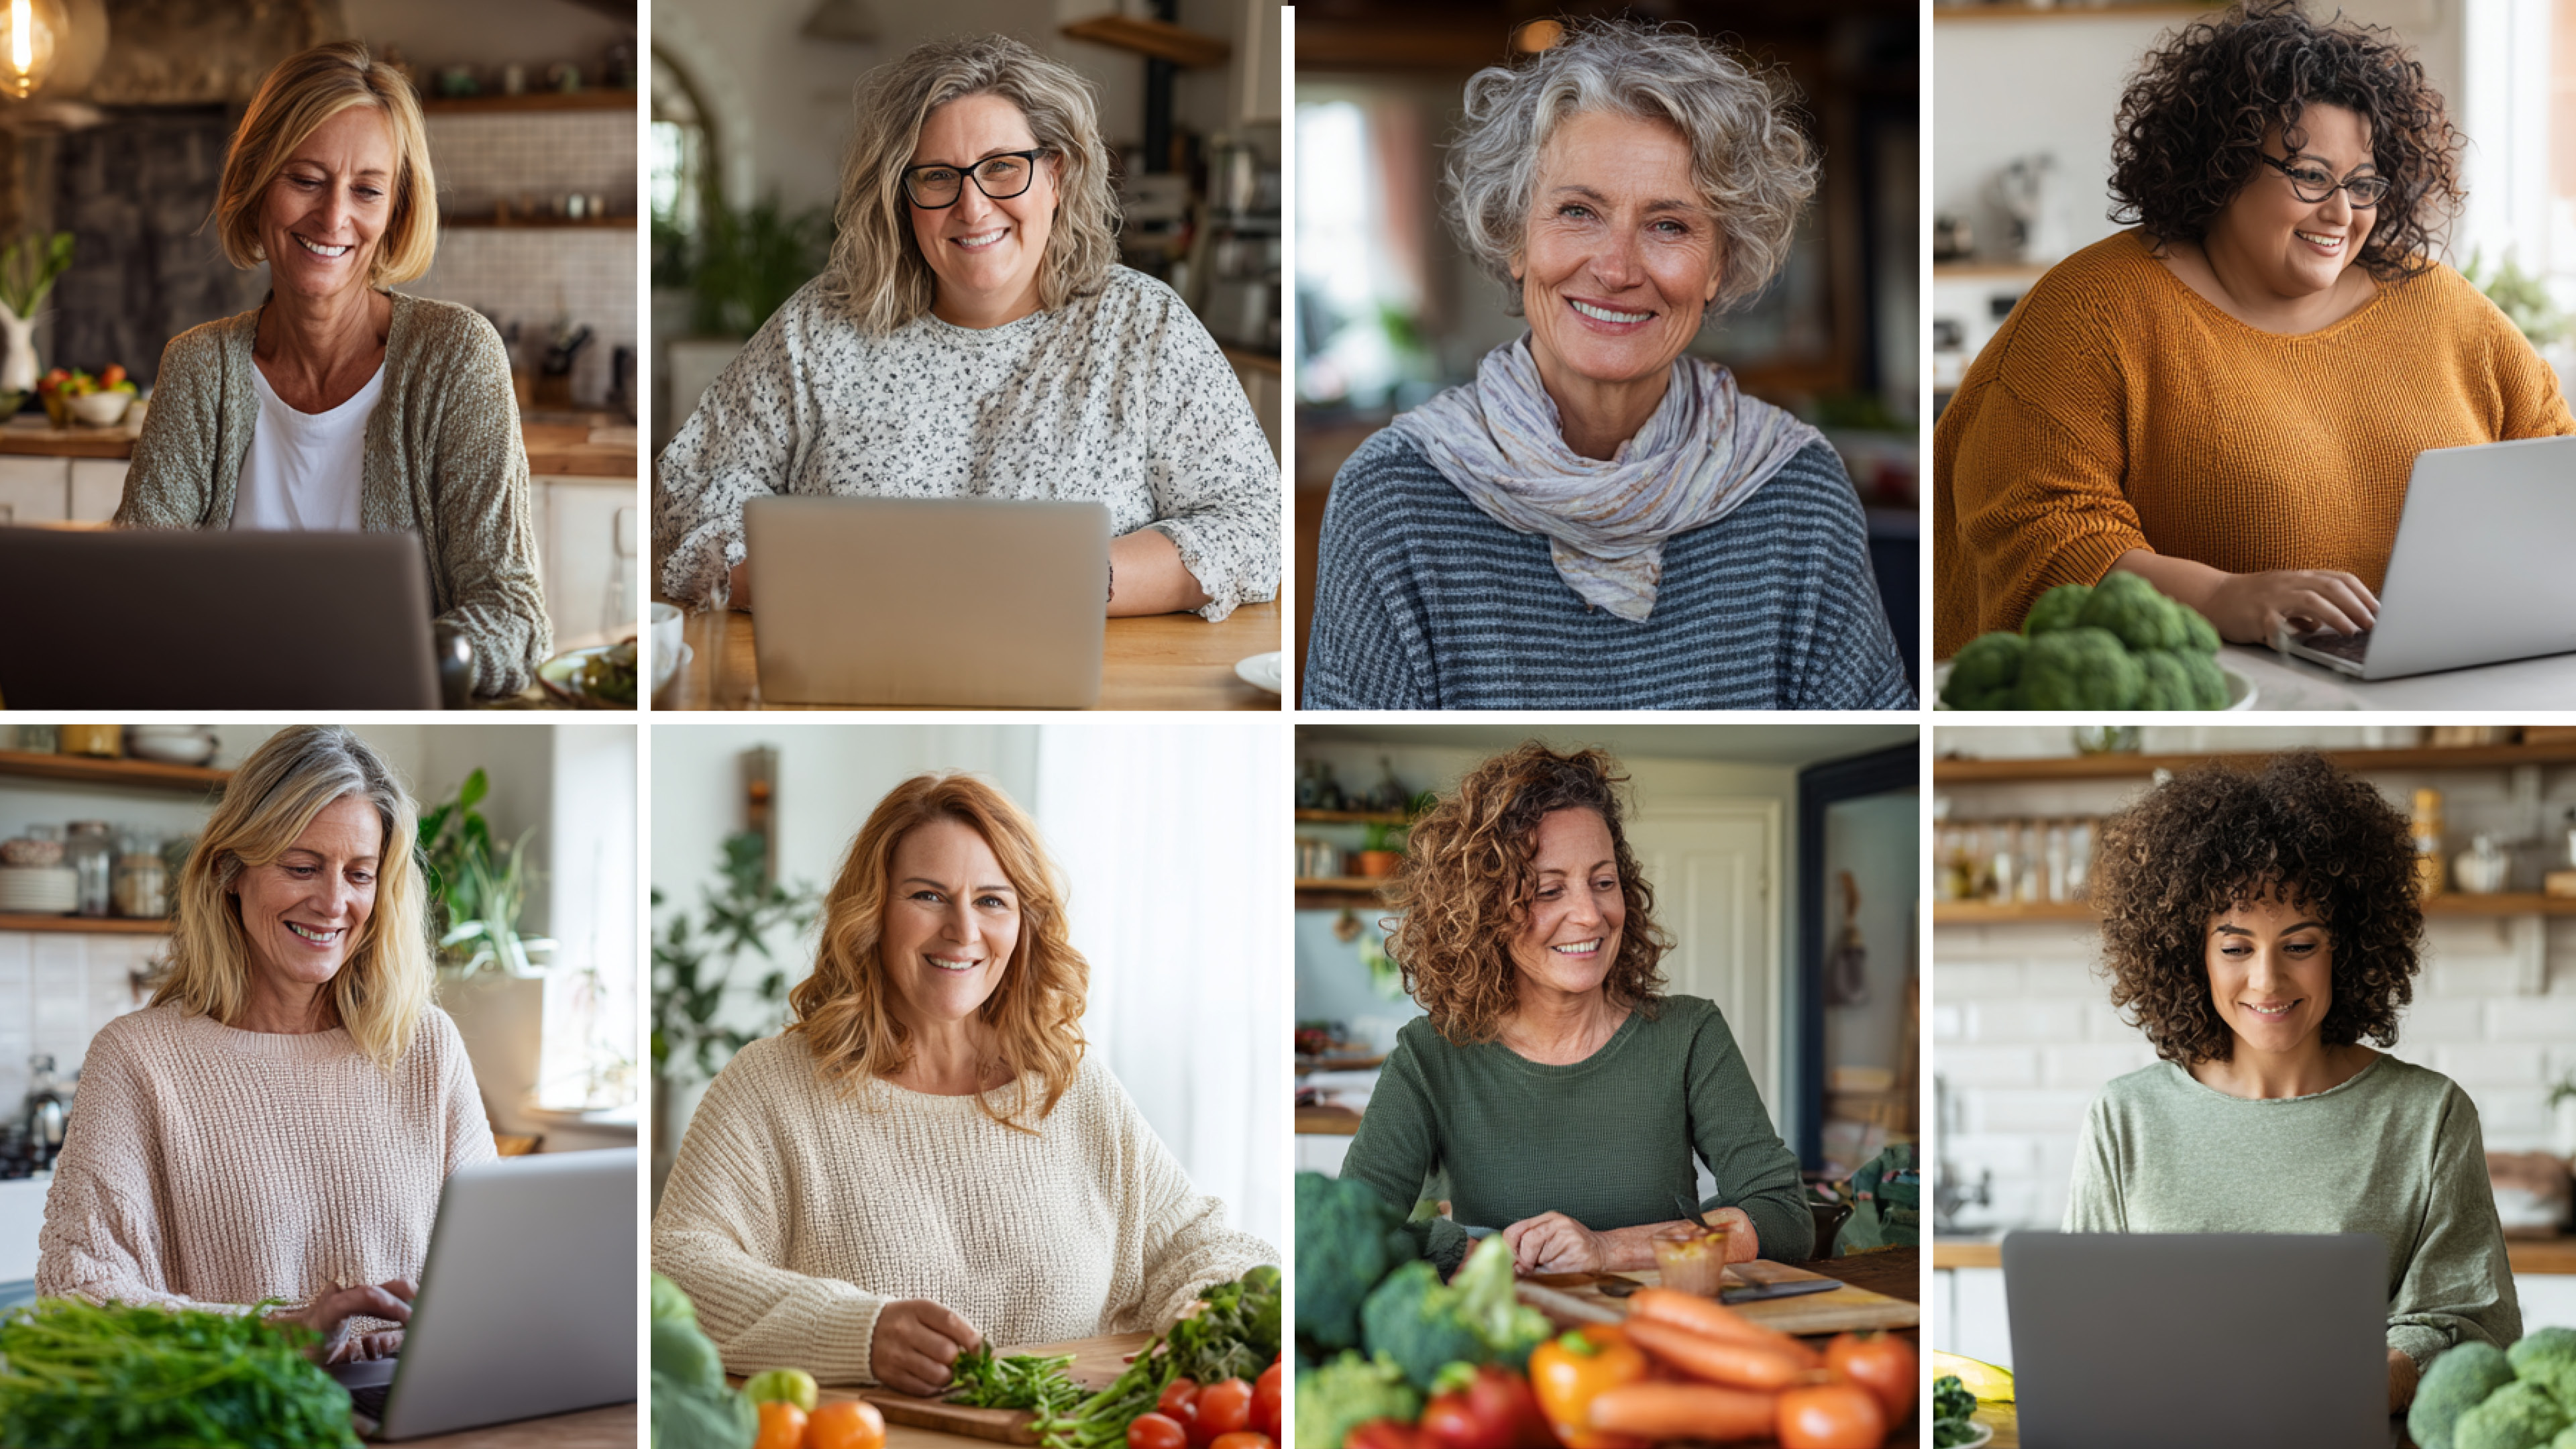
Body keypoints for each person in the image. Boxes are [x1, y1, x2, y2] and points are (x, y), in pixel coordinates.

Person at [1934, 0, 2575, 658]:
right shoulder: (2094, 309)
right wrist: (2218, 598)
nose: (2341, 212)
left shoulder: (2446, 306)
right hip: (2222, 700)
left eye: (2363, 184)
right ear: (2225, 162)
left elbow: (2556, 471)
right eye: (2309, 176)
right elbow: (2039, 532)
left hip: (2454, 683)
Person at [1302, 19, 1911, 710]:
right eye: (1578, 212)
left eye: (1670, 225)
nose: (1617, 268)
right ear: (1515, 239)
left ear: (1721, 264)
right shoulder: (1391, 498)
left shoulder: (1799, 492)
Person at [652, 773, 1275, 1393]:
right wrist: (858, 1334)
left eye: (992, 901)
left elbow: (1205, 1247)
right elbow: (676, 1271)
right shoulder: (770, 1087)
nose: (963, 930)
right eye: (927, 896)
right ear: (874, 913)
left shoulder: (1072, 1087)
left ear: (1022, 926)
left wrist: (1207, 1312)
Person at [654, 35, 1277, 623]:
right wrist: (842, 586)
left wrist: (1061, 583)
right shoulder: (818, 326)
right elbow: (687, 499)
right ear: (902, 197)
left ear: (1055, 176)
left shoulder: (1145, 326)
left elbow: (1255, 524)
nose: (972, 206)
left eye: (1003, 167)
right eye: (938, 176)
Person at [2066, 752, 2518, 1413]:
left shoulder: (2428, 1114)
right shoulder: (2123, 1117)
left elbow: (2471, 1328)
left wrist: (2339, 1386)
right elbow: (2083, 1325)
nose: (2268, 981)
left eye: (2300, 946)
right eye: (2236, 946)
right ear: (2191, 953)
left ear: (2349, 945)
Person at [36, 726, 494, 1363]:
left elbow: (492, 1268)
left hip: (420, 1412)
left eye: (359, 875)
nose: (334, 902)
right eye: (302, 867)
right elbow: (77, 1296)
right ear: (230, 870)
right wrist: (289, 1332)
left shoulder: (424, 1047)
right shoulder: (138, 1059)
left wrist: (426, 1327)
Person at [113, 41, 550, 699]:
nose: (334, 217)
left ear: (395, 211)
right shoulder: (199, 367)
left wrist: (404, 660)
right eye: (306, 179)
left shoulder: (457, 356)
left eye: (367, 190)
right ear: (257, 184)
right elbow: (132, 590)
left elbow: (515, 614)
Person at [1338, 743, 1812, 1276]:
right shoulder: (1430, 1054)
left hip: (1656, 1339)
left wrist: (1610, 1249)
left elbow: (1783, 1216)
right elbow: (1347, 1227)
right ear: (1482, 911)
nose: (1589, 915)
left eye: (1603, 882)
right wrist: (1467, 1249)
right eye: (1548, 890)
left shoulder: (1690, 1033)